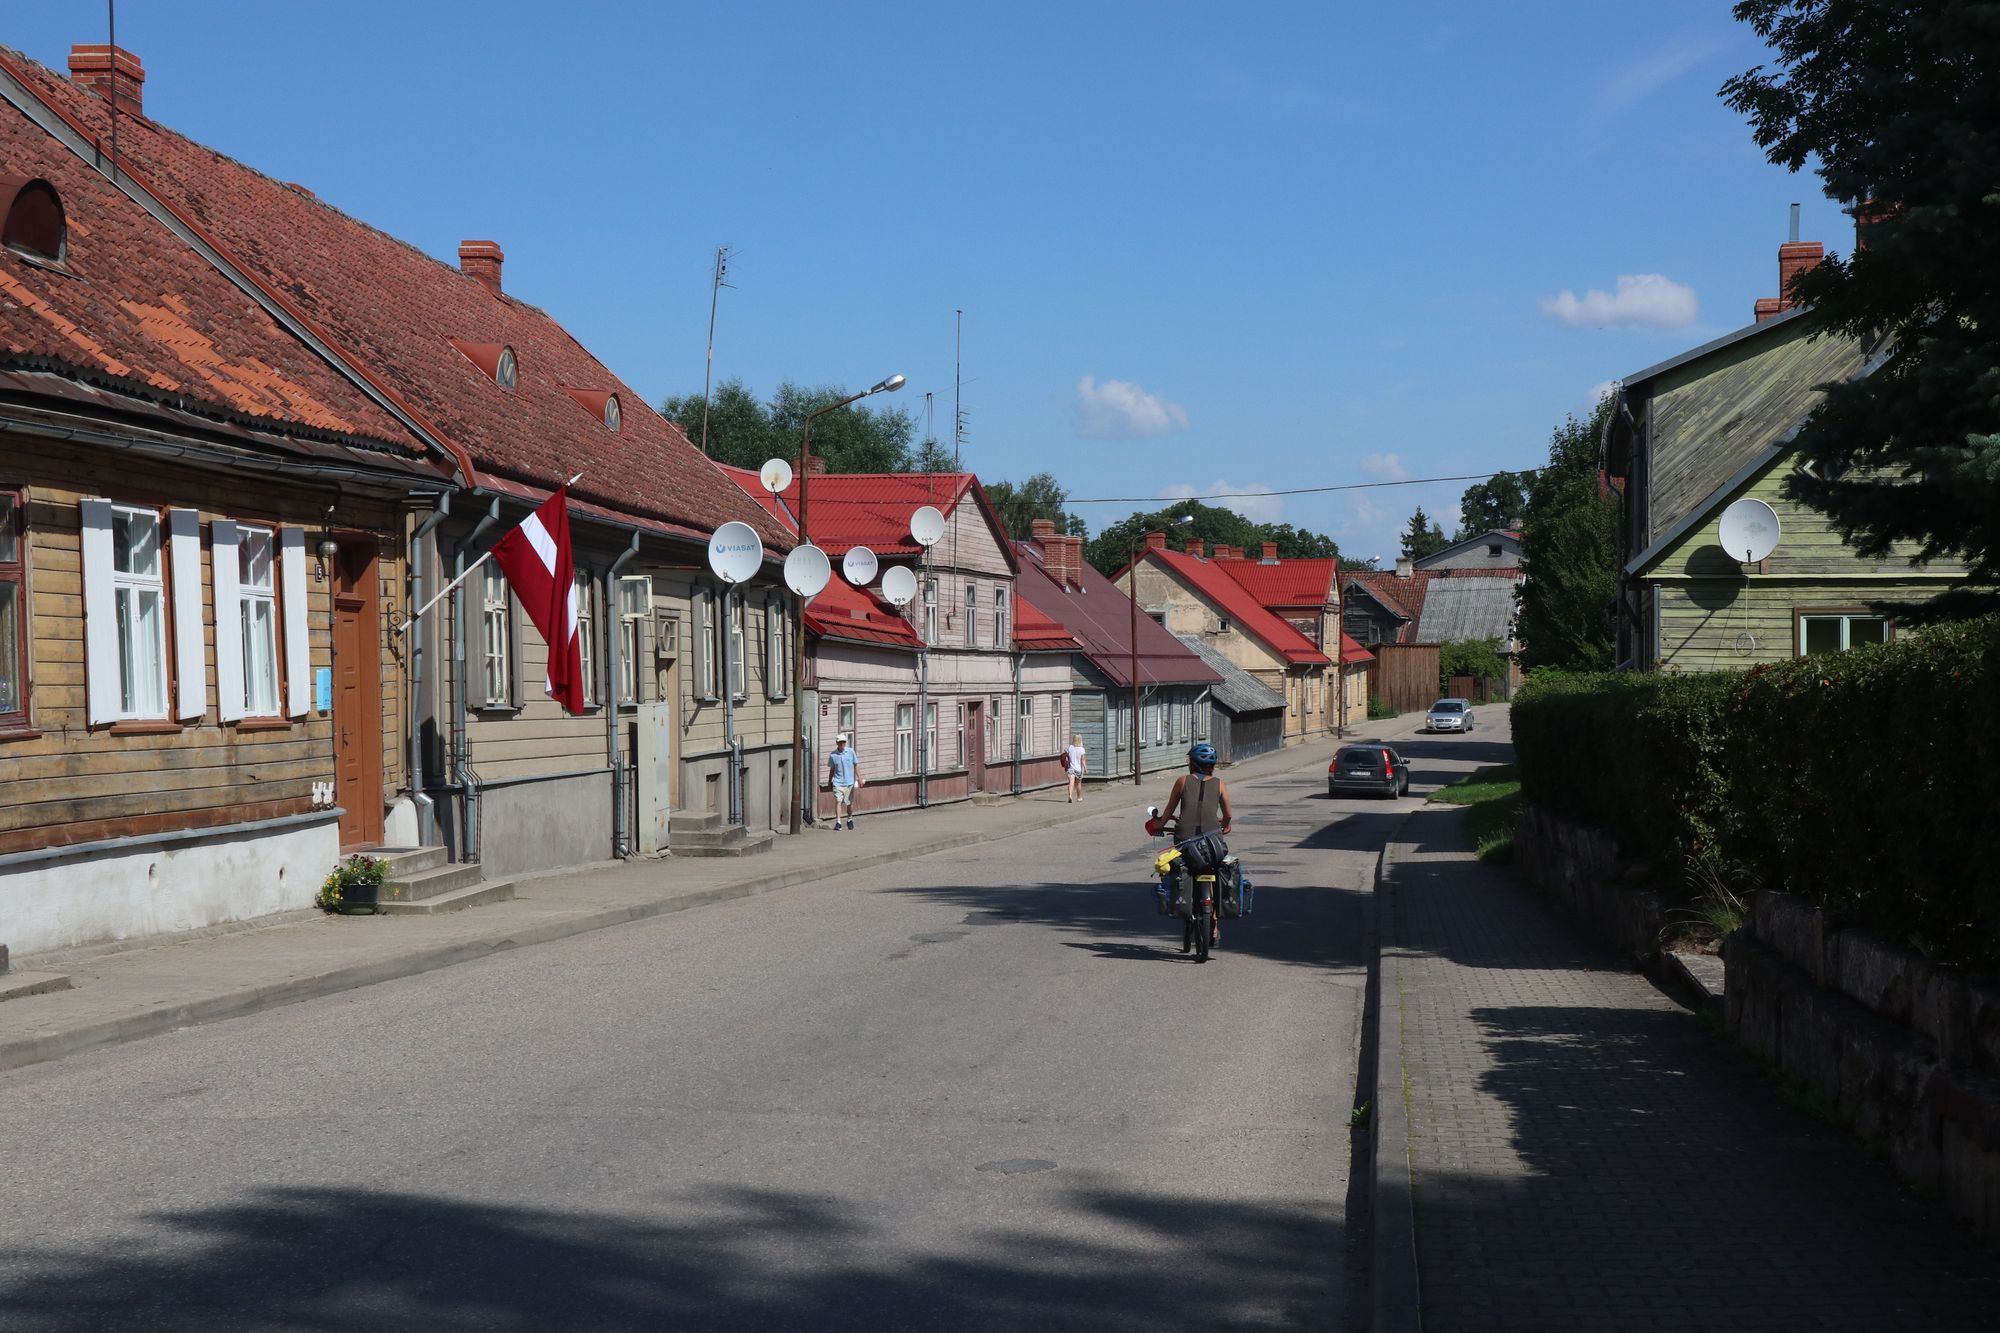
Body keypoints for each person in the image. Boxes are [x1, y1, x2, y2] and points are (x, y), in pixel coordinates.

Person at [1159, 742, 1232, 952]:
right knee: (1217, 869)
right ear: (1212, 765)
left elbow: (1168, 812)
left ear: (1192, 763)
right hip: (1213, 842)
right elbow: (1228, 815)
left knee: (1185, 868)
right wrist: (1224, 825)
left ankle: (1186, 904)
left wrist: (1158, 825)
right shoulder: (1220, 784)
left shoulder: (1182, 781)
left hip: (1185, 840)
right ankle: (1215, 919)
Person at [826, 733, 861, 830]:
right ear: (837, 743)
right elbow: (832, 769)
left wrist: (860, 778)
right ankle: (838, 822)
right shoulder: (833, 755)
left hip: (849, 782)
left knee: (849, 803)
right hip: (837, 782)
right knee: (838, 801)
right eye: (840, 742)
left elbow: (856, 765)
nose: (842, 744)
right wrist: (829, 781)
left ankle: (849, 819)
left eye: (843, 742)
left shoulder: (851, 752)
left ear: (845, 743)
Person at [1062, 734, 1086, 802]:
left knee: (1071, 782)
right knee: (1078, 783)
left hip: (1070, 768)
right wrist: (1086, 769)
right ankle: (1079, 797)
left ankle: (1070, 795)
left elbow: (1065, 751)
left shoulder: (1070, 747)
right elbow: (1083, 760)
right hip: (1078, 769)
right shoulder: (1082, 749)